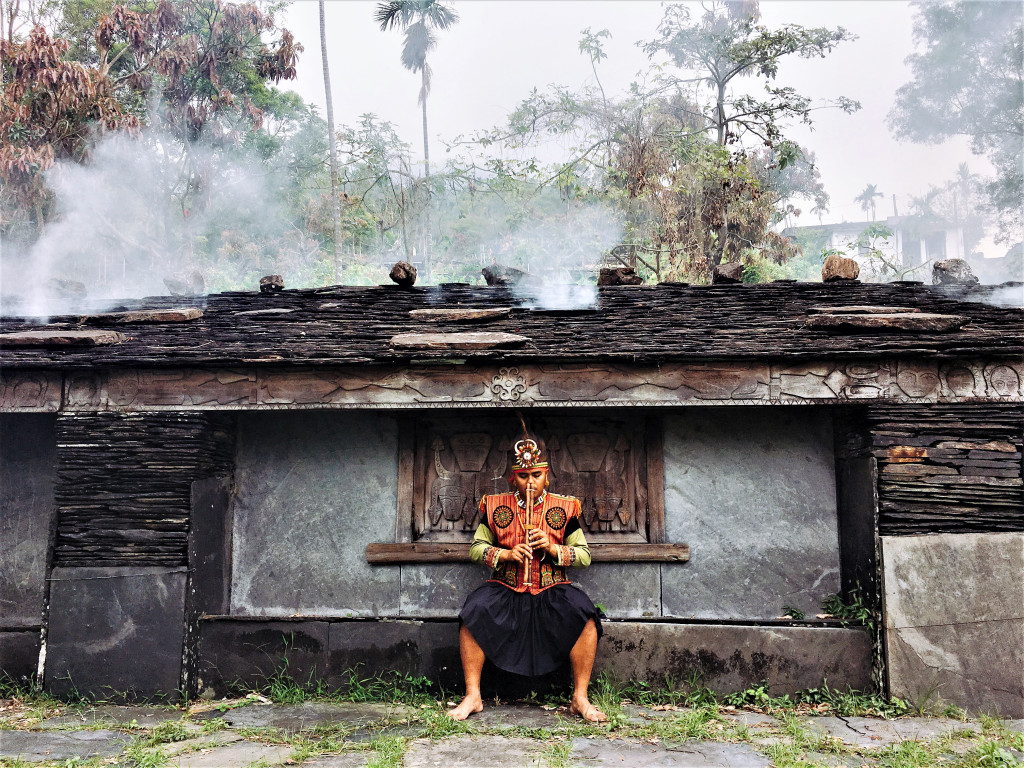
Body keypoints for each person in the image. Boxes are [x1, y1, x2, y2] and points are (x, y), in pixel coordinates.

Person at [448, 435, 607, 722]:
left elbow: (584, 555)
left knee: (584, 614)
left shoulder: (565, 507)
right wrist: (505, 555)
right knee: (474, 610)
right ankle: (473, 696)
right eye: (523, 476)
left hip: (552, 586)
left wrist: (552, 547)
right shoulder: (495, 505)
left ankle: (579, 698)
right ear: (513, 478)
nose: (530, 482)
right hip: (506, 585)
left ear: (547, 476)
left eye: (536, 475)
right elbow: (476, 548)